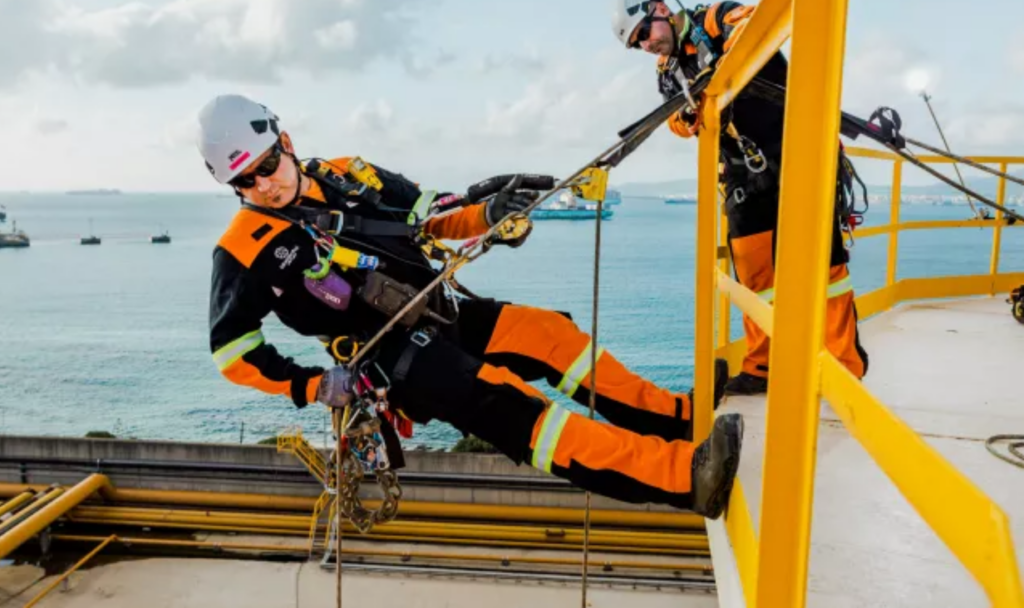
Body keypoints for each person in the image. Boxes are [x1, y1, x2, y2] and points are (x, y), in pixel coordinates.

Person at [198, 93, 742, 518]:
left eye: (267, 166)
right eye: (245, 181)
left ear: (284, 140)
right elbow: (232, 352)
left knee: (548, 334)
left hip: (439, 312)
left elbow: (430, 212)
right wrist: (313, 385)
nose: (264, 186)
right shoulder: (243, 248)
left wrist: (489, 216)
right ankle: (680, 476)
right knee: (518, 409)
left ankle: (677, 418)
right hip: (397, 364)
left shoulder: (348, 174)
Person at [611, 0, 869, 395]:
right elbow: (677, 123)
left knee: (825, 266)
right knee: (754, 274)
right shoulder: (667, 71)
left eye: (644, 32)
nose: (646, 44)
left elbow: (756, 27)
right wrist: (690, 112)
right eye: (637, 43)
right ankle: (762, 366)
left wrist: (722, 68)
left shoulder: (714, 20)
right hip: (743, 171)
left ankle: (845, 366)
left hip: (797, 148)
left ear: (659, 8)